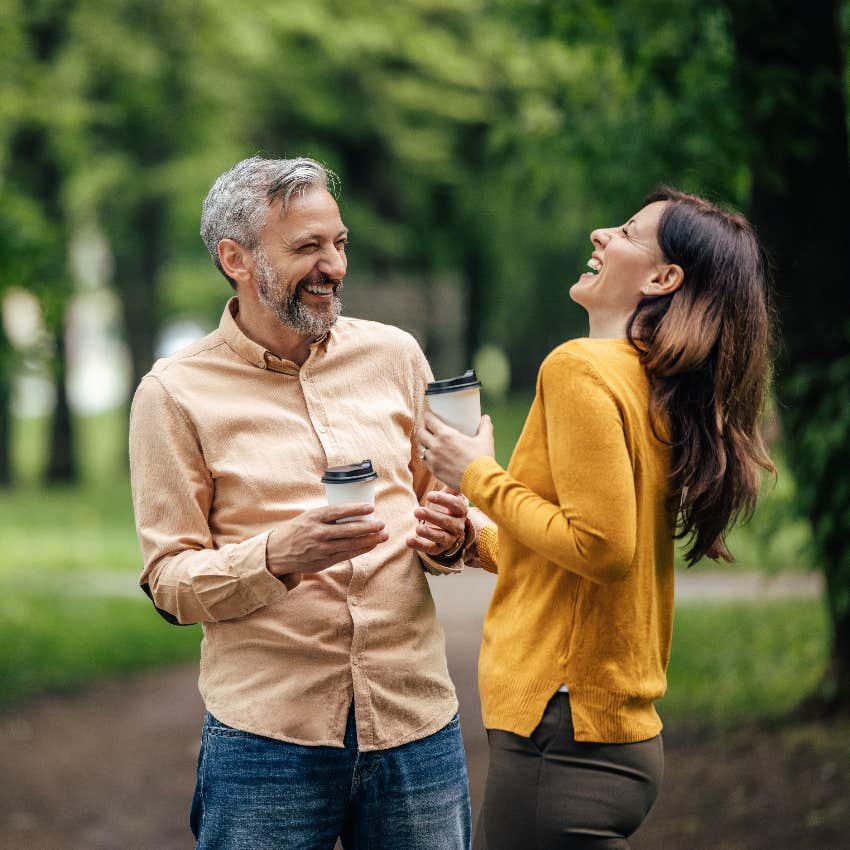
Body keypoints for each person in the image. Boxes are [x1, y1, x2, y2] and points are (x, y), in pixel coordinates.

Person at [129, 156, 473, 850]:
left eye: (339, 243)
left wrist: (452, 536)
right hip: (267, 741)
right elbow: (169, 582)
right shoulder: (173, 394)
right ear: (235, 257)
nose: (333, 266)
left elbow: (444, 509)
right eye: (307, 248)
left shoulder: (396, 357)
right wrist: (277, 557)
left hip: (415, 723)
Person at [418, 188, 775, 849]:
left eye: (627, 232)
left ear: (664, 278)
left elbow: (604, 548)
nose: (599, 233)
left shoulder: (580, 367)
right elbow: (595, 548)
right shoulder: (649, 381)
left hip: (561, 739)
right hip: (608, 740)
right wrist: (481, 542)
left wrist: (476, 474)